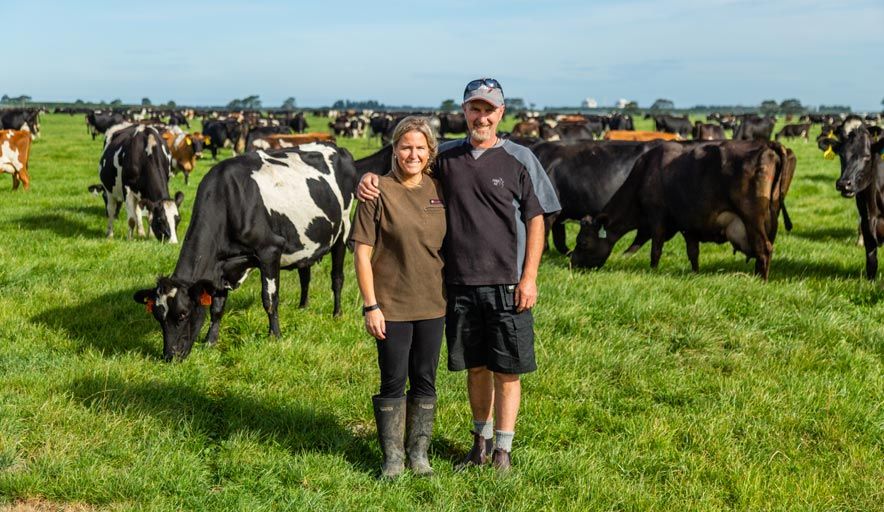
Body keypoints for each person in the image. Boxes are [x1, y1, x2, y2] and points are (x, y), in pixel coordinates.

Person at [357, 78, 561, 471]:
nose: (481, 116)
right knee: (476, 367)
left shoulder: (521, 159)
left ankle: (503, 450)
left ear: (501, 113)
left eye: (489, 109)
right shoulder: (446, 157)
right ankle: (479, 444)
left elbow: (536, 219)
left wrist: (529, 276)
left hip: (507, 284)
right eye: (474, 108)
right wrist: (366, 180)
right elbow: (405, 168)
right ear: (464, 112)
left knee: (507, 369)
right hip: (458, 285)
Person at [350, 116, 447, 479]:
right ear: (394, 149)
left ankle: (418, 454)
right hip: (391, 304)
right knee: (392, 380)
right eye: (406, 146)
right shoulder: (377, 192)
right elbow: (361, 253)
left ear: (430, 152)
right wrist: (371, 305)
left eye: (420, 148)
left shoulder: (439, 190)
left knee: (425, 379)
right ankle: (392, 458)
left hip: (433, 303)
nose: (413, 154)